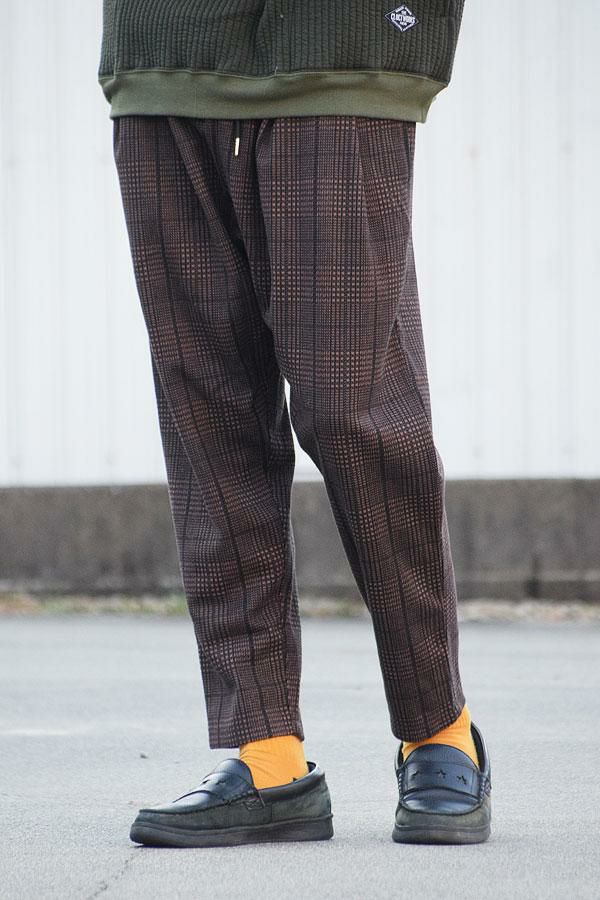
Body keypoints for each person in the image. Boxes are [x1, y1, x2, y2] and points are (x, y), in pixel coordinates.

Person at [98, 0, 492, 848]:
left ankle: (440, 729)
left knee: (353, 411)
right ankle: (268, 754)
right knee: (208, 417)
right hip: (163, 55)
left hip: (338, 49)